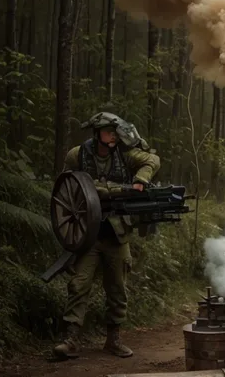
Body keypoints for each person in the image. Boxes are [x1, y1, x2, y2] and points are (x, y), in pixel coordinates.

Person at [53, 112, 161, 360]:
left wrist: (140, 180)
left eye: (115, 132)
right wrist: (102, 191)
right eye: (107, 132)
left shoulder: (125, 153)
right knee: (78, 284)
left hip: (116, 233)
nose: (113, 136)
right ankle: (70, 338)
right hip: (87, 234)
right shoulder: (77, 155)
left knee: (118, 287)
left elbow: (152, 160)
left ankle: (113, 339)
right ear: (97, 133)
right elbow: (65, 187)